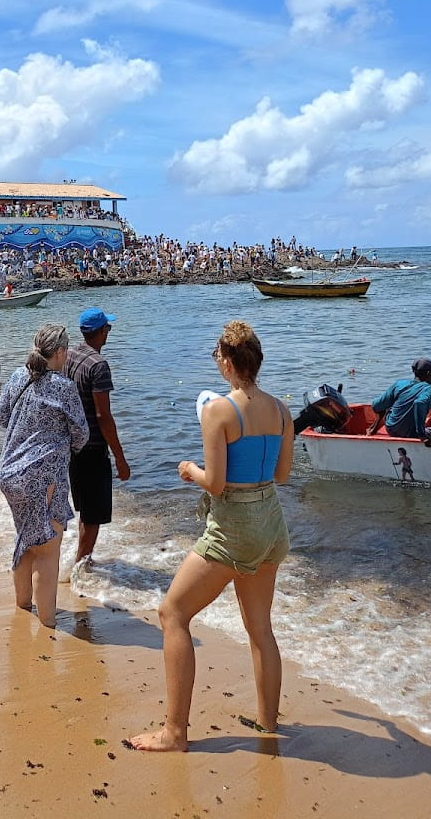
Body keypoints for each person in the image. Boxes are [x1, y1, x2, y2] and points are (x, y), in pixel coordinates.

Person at [130, 321, 293, 752]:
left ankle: (175, 733)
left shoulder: (218, 410)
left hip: (234, 527)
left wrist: (189, 471)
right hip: (271, 523)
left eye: (217, 356)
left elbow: (216, 484)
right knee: (260, 629)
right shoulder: (280, 409)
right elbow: (282, 474)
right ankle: (267, 722)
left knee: (173, 613)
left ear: (227, 361)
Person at [0, 324, 89, 628]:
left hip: (10, 473)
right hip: (44, 474)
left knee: (26, 541)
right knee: (47, 551)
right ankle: (48, 625)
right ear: (60, 352)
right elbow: (81, 434)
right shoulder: (64, 386)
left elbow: (0, 416)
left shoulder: (17, 376)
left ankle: (23, 608)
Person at [64, 307, 130, 565]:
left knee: (85, 511)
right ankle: (81, 568)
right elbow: (103, 416)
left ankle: (83, 561)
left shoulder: (68, 356)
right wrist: (120, 458)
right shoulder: (99, 365)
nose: (108, 333)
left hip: (72, 446)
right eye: (108, 329)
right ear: (101, 331)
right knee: (93, 516)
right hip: (93, 449)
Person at [371, 358, 431, 441]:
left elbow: (376, 405)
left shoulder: (399, 384)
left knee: (389, 406)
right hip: (411, 433)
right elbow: (419, 403)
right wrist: (421, 434)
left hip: (390, 429)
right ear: (428, 373)